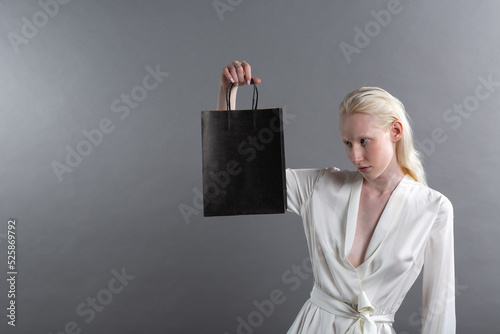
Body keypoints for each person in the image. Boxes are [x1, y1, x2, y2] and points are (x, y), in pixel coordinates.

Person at [216, 60, 455, 333]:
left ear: (395, 132)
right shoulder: (320, 186)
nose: (355, 156)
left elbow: (439, 306)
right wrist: (228, 92)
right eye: (347, 143)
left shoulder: (433, 208)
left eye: (364, 141)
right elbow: (232, 183)